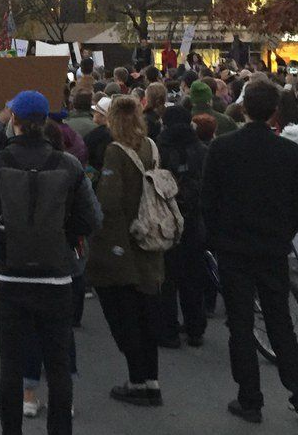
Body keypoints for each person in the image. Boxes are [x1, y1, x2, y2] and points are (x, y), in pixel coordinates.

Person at [0, 91, 99, 435]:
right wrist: (66, 238)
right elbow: (91, 218)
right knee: (58, 364)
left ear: (15, 122)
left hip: (10, 277)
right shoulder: (67, 164)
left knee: (10, 365)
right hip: (56, 276)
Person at [202, 79, 298, 424]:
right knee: (281, 325)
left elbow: (209, 201)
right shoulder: (290, 153)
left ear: (243, 108)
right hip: (272, 247)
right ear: (275, 111)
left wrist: (215, 239)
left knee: (241, 325)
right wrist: (281, 232)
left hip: (233, 249)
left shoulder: (223, 148)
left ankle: (250, 399)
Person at [87, 95, 165, 407]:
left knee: (123, 315)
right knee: (146, 313)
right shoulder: (151, 147)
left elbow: (108, 202)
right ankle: (151, 379)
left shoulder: (115, 153)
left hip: (123, 242)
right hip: (150, 239)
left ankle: (136, 381)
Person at [155, 105, 208, 349]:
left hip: (166, 218)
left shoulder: (158, 148)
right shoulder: (201, 149)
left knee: (167, 279)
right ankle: (195, 328)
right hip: (195, 220)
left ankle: (168, 331)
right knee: (193, 277)